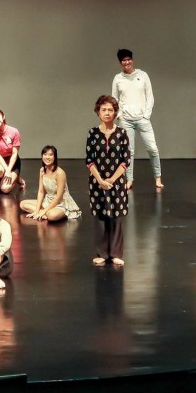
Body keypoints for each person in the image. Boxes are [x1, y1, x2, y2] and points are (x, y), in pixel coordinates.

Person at [86, 95, 131, 266]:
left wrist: (111, 179)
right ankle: (102, 253)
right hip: (97, 181)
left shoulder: (122, 133)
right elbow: (89, 159)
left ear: (115, 113)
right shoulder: (92, 133)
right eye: (103, 110)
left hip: (117, 181)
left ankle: (116, 253)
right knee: (100, 217)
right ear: (98, 112)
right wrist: (100, 180)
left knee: (116, 217)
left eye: (110, 110)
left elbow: (125, 160)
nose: (107, 113)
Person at [111, 49, 163, 190]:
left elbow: (150, 96)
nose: (126, 62)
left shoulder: (143, 75)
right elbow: (114, 99)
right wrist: (120, 116)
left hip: (142, 119)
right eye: (123, 60)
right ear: (120, 62)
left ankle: (158, 178)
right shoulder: (118, 78)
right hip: (126, 120)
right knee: (129, 151)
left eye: (128, 59)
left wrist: (146, 115)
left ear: (132, 60)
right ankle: (129, 179)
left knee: (152, 148)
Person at [19, 145, 83, 222]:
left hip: (60, 203)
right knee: (22, 204)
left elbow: (59, 196)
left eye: (50, 155)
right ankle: (42, 213)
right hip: (47, 200)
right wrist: (36, 210)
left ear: (55, 157)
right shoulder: (42, 170)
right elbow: (41, 192)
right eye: (45, 154)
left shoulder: (60, 173)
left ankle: (45, 213)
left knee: (52, 216)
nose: (47, 157)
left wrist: (44, 210)